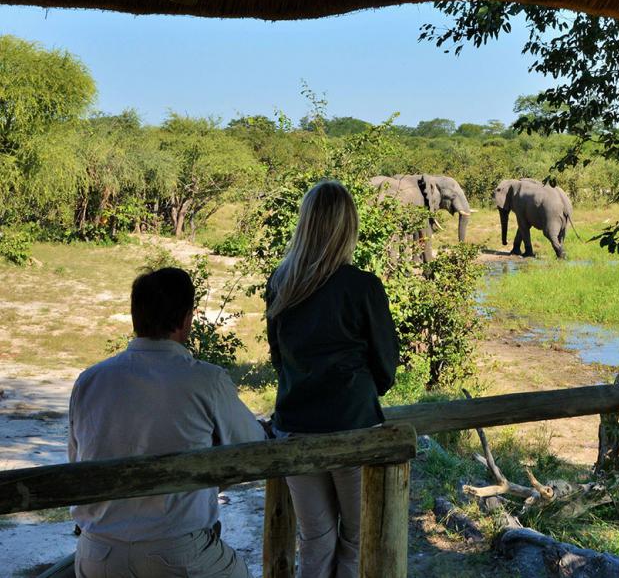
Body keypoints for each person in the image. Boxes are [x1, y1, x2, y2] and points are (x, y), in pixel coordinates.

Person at [69, 267, 265, 578]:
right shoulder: (205, 379)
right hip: (175, 553)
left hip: (98, 553)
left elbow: (77, 464)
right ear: (187, 318)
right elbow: (254, 447)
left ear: (136, 317)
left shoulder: (89, 381)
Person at [265, 180, 399, 578]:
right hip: (353, 425)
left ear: (305, 224)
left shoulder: (280, 282)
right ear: (348, 226)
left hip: (294, 426)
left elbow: (278, 358)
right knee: (357, 538)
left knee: (316, 538)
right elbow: (386, 364)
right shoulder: (363, 287)